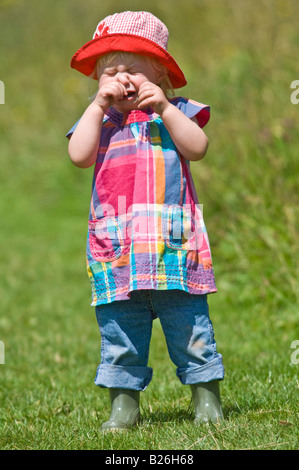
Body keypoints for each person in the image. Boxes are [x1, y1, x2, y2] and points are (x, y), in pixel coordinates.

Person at [67, 11, 225, 431]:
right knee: (120, 336)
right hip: (116, 250)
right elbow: (79, 155)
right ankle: (124, 407)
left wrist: (166, 109)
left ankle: (206, 399)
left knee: (191, 331)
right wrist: (98, 105)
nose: (121, 78)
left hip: (172, 248)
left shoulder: (174, 111)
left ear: (159, 71)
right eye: (110, 71)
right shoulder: (100, 121)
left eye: (132, 68)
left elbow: (198, 147)